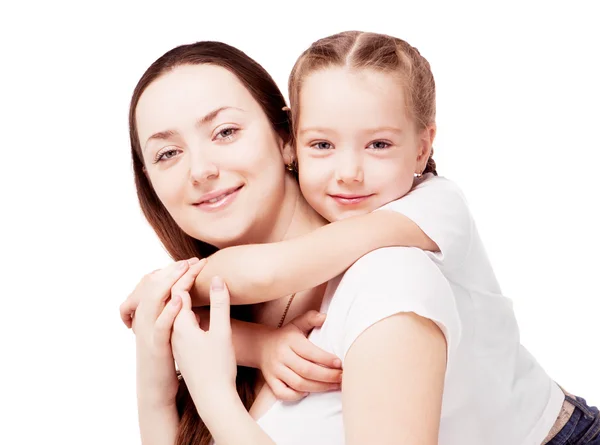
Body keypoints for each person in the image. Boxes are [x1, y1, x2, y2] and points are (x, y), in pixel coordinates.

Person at [122, 33, 600, 444]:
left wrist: (214, 395)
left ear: (284, 134)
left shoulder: (396, 262)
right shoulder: (213, 327)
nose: (201, 169)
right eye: (166, 153)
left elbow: (271, 270)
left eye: (225, 131)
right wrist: (158, 387)